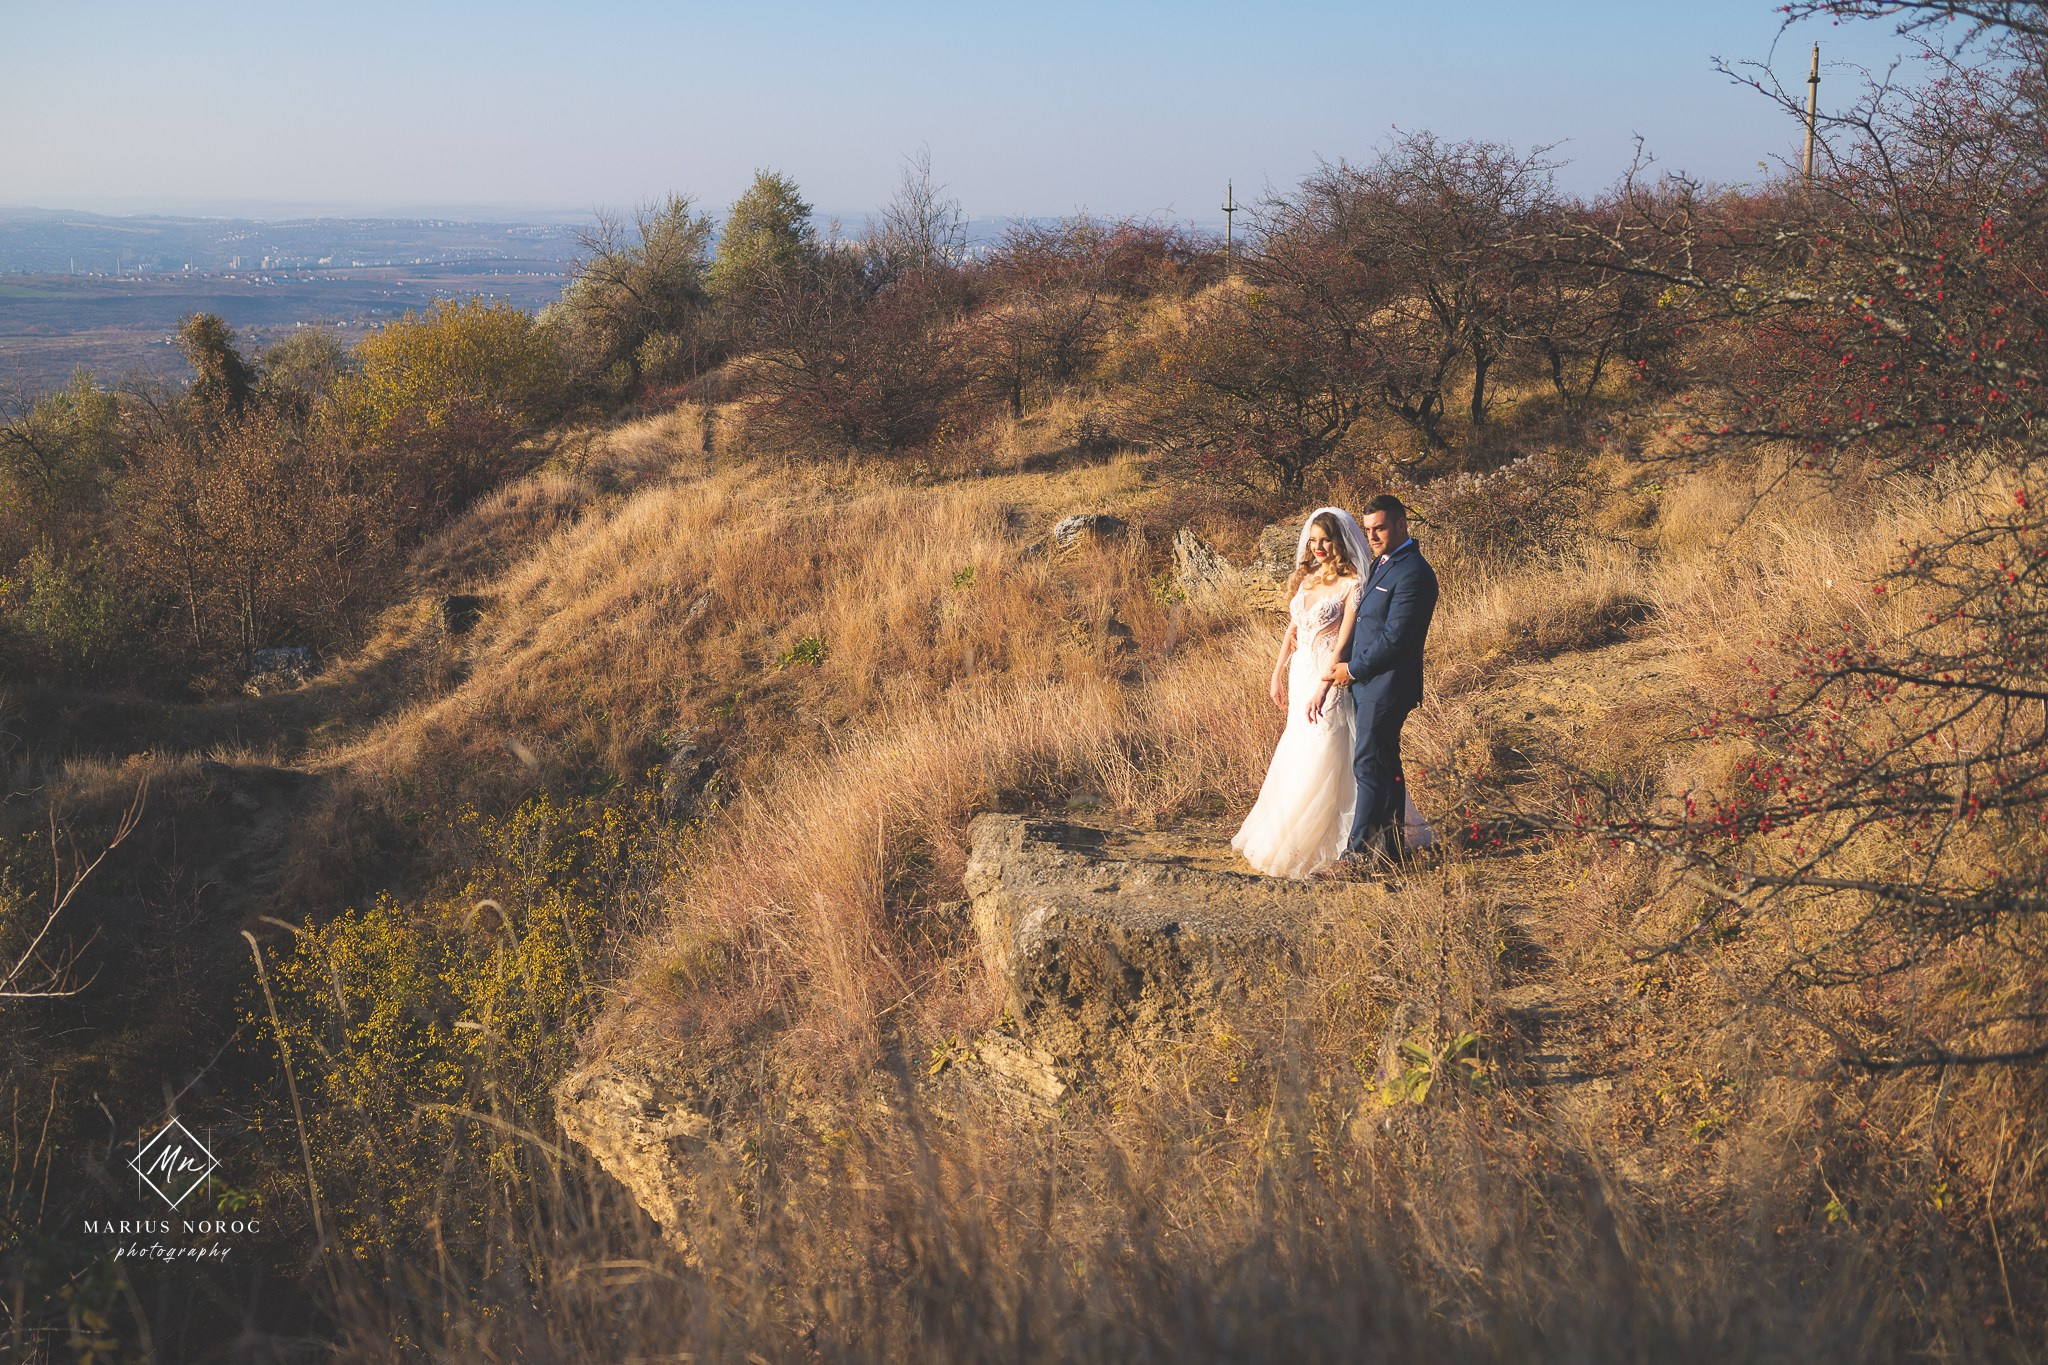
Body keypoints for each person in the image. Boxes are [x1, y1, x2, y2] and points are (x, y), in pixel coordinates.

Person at [1231, 508, 1370, 878]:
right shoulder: (1307, 577)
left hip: (1327, 676)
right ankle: (1284, 829)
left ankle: (1327, 842)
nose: (1319, 547)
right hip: (1299, 674)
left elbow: (1344, 644)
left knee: (1327, 746)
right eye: (1313, 540)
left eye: (1325, 540)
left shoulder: (1352, 584)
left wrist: (1324, 688)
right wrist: (1276, 673)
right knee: (1298, 743)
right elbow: (1292, 631)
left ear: (1338, 541)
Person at [1323, 493, 1439, 868]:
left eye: (1380, 528)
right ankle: (1389, 852)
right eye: (1368, 529)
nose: (1372, 535)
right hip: (1368, 683)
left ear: (1402, 524)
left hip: (1388, 684)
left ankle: (1356, 857)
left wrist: (1352, 670)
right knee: (1385, 765)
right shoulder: (1381, 564)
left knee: (1369, 766)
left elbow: (1395, 640)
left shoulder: (1414, 573)